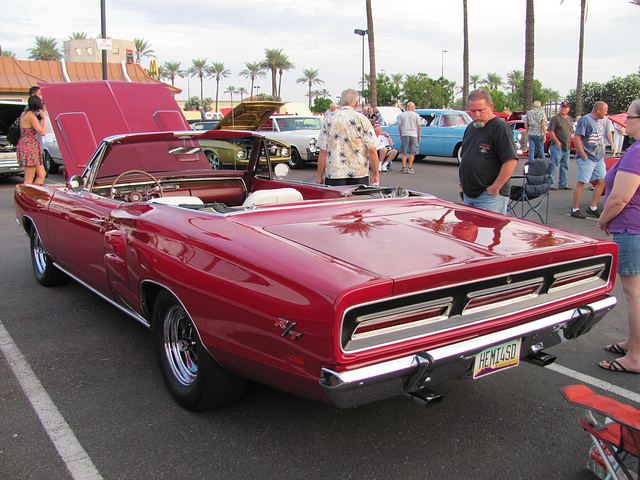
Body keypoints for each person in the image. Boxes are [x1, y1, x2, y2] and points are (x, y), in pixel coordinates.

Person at [597, 99, 640, 374]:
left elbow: (619, 198)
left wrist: (603, 220)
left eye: (631, 117)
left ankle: (635, 357)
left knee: (633, 294)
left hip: (630, 229)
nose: (626, 122)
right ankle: (632, 343)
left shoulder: (636, 153)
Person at [459, 88, 518, 215]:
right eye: (473, 111)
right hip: (469, 195)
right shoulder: (471, 128)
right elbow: (466, 155)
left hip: (489, 197)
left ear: (490, 107)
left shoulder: (500, 128)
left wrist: (495, 187)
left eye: (481, 110)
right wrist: (462, 181)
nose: (477, 115)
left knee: (486, 233)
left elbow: (510, 161)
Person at [316, 88, 379, 186]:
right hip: (359, 174)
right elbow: (372, 149)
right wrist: (376, 174)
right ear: (356, 103)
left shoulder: (329, 120)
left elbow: (323, 150)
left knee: (335, 201)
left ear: (341, 101)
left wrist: (319, 176)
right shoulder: (363, 120)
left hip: (335, 174)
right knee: (357, 201)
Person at [571, 101, 609, 219]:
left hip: (598, 158)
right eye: (605, 110)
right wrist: (583, 155)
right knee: (582, 182)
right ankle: (575, 208)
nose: (606, 113)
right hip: (588, 157)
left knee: (602, 181)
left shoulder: (598, 122)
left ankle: (593, 207)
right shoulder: (586, 120)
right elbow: (577, 137)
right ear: (598, 110)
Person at [17, 95, 47, 185]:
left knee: (42, 174)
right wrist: (44, 118)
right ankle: (27, 196)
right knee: (29, 178)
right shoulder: (31, 116)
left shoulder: (24, 114)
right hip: (30, 147)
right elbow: (42, 132)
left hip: (27, 144)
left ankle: (35, 193)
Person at [547, 101, 574, 190]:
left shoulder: (569, 119)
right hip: (557, 146)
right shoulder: (555, 118)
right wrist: (557, 141)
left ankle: (563, 184)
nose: (563, 108)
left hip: (567, 146)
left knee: (565, 166)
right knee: (554, 165)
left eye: (565, 107)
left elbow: (570, 131)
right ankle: (549, 184)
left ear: (568, 109)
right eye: (562, 107)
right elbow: (551, 131)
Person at [397, 102, 421, 174]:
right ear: (412, 107)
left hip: (405, 134)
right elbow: (419, 127)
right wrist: (419, 136)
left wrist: (401, 135)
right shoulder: (416, 115)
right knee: (412, 152)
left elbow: (399, 126)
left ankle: (403, 167)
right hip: (413, 134)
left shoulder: (402, 115)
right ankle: (410, 167)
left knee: (404, 151)